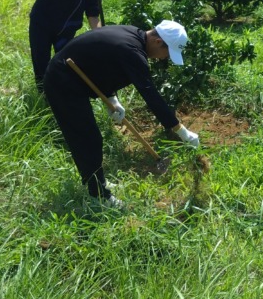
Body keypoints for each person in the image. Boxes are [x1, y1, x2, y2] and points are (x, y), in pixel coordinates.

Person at [43, 21, 200, 205]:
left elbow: (104, 65)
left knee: (89, 138)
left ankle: (98, 182)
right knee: (88, 138)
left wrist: (112, 99)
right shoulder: (132, 51)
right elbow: (151, 96)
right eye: (167, 53)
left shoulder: (132, 35)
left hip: (70, 77)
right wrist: (181, 130)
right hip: (62, 82)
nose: (164, 58)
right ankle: (98, 196)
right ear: (158, 42)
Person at [29, 0, 122, 91]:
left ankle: (60, 92)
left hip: (66, 31)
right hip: (42, 23)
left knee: (64, 64)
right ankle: (43, 93)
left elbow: (93, 16)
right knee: (41, 59)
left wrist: (102, 37)